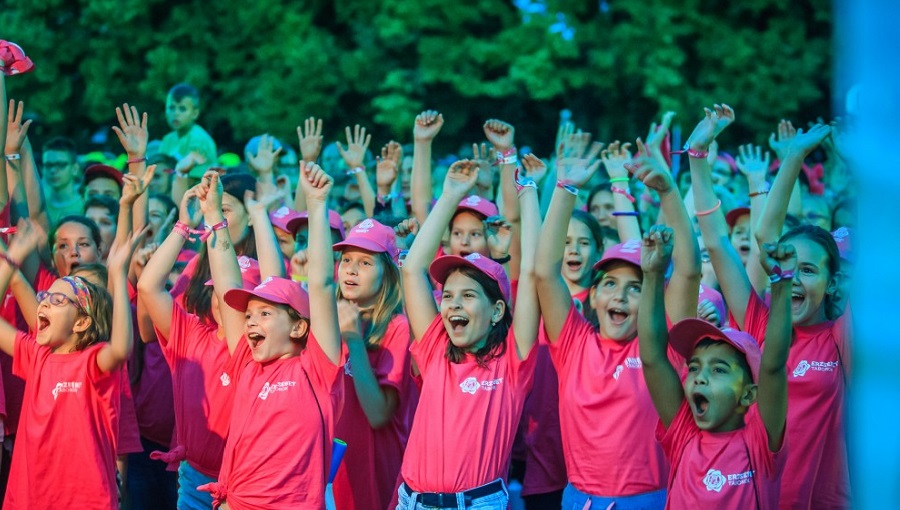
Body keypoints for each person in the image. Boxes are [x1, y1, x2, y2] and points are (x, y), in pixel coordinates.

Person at [691, 107, 850, 508]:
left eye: (809, 270)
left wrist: (849, 164)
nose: (794, 277)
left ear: (833, 283)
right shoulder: (757, 323)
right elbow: (718, 243)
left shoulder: (841, 336)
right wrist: (697, 156)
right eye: (789, 264)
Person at [534, 128, 700, 509]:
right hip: (578, 500)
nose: (620, 296)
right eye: (609, 283)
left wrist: (668, 191)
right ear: (592, 295)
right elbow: (545, 272)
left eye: (635, 286)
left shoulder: (662, 346)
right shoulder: (573, 344)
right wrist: (565, 188)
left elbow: (688, 271)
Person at [198, 164, 344, 509]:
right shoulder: (247, 363)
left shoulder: (316, 369)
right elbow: (225, 281)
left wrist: (317, 204)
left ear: (298, 327)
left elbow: (321, 285)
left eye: (264, 314)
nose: (249, 323)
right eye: (248, 316)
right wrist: (212, 214)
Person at [397, 159, 540, 509]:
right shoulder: (435, 349)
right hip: (412, 502)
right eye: (447, 296)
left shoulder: (513, 359)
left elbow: (535, 274)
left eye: (468, 295)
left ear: (496, 311)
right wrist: (450, 196)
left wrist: (530, 194)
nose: (453, 305)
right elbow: (413, 269)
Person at [638, 225, 792, 509]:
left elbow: (773, 365)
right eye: (694, 367)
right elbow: (653, 359)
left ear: (748, 395)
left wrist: (782, 285)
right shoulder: (683, 431)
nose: (701, 377)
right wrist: (651, 275)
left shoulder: (760, 442)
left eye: (719, 369)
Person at [0, 210, 144, 508]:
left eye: (58, 299)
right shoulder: (36, 355)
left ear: (81, 322)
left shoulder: (94, 362)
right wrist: (11, 260)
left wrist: (117, 273)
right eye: (45, 297)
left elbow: (120, 348)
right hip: (27, 500)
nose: (45, 302)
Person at [330, 219, 416, 510]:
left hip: (376, 475)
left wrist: (354, 341)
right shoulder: (328, 321)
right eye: (346, 260)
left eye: (366, 262)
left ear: (388, 274)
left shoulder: (397, 327)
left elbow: (379, 414)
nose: (351, 269)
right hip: (330, 478)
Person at [159, 83, 217, 180]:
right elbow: (160, 171)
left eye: (182, 109)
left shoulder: (200, 140)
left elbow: (193, 180)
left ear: (195, 113)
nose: (176, 113)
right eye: (171, 108)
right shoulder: (167, 139)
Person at [40, 137, 84, 226]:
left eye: (60, 165)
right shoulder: (37, 204)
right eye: (48, 165)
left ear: (75, 169)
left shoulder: (85, 204)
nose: (53, 170)